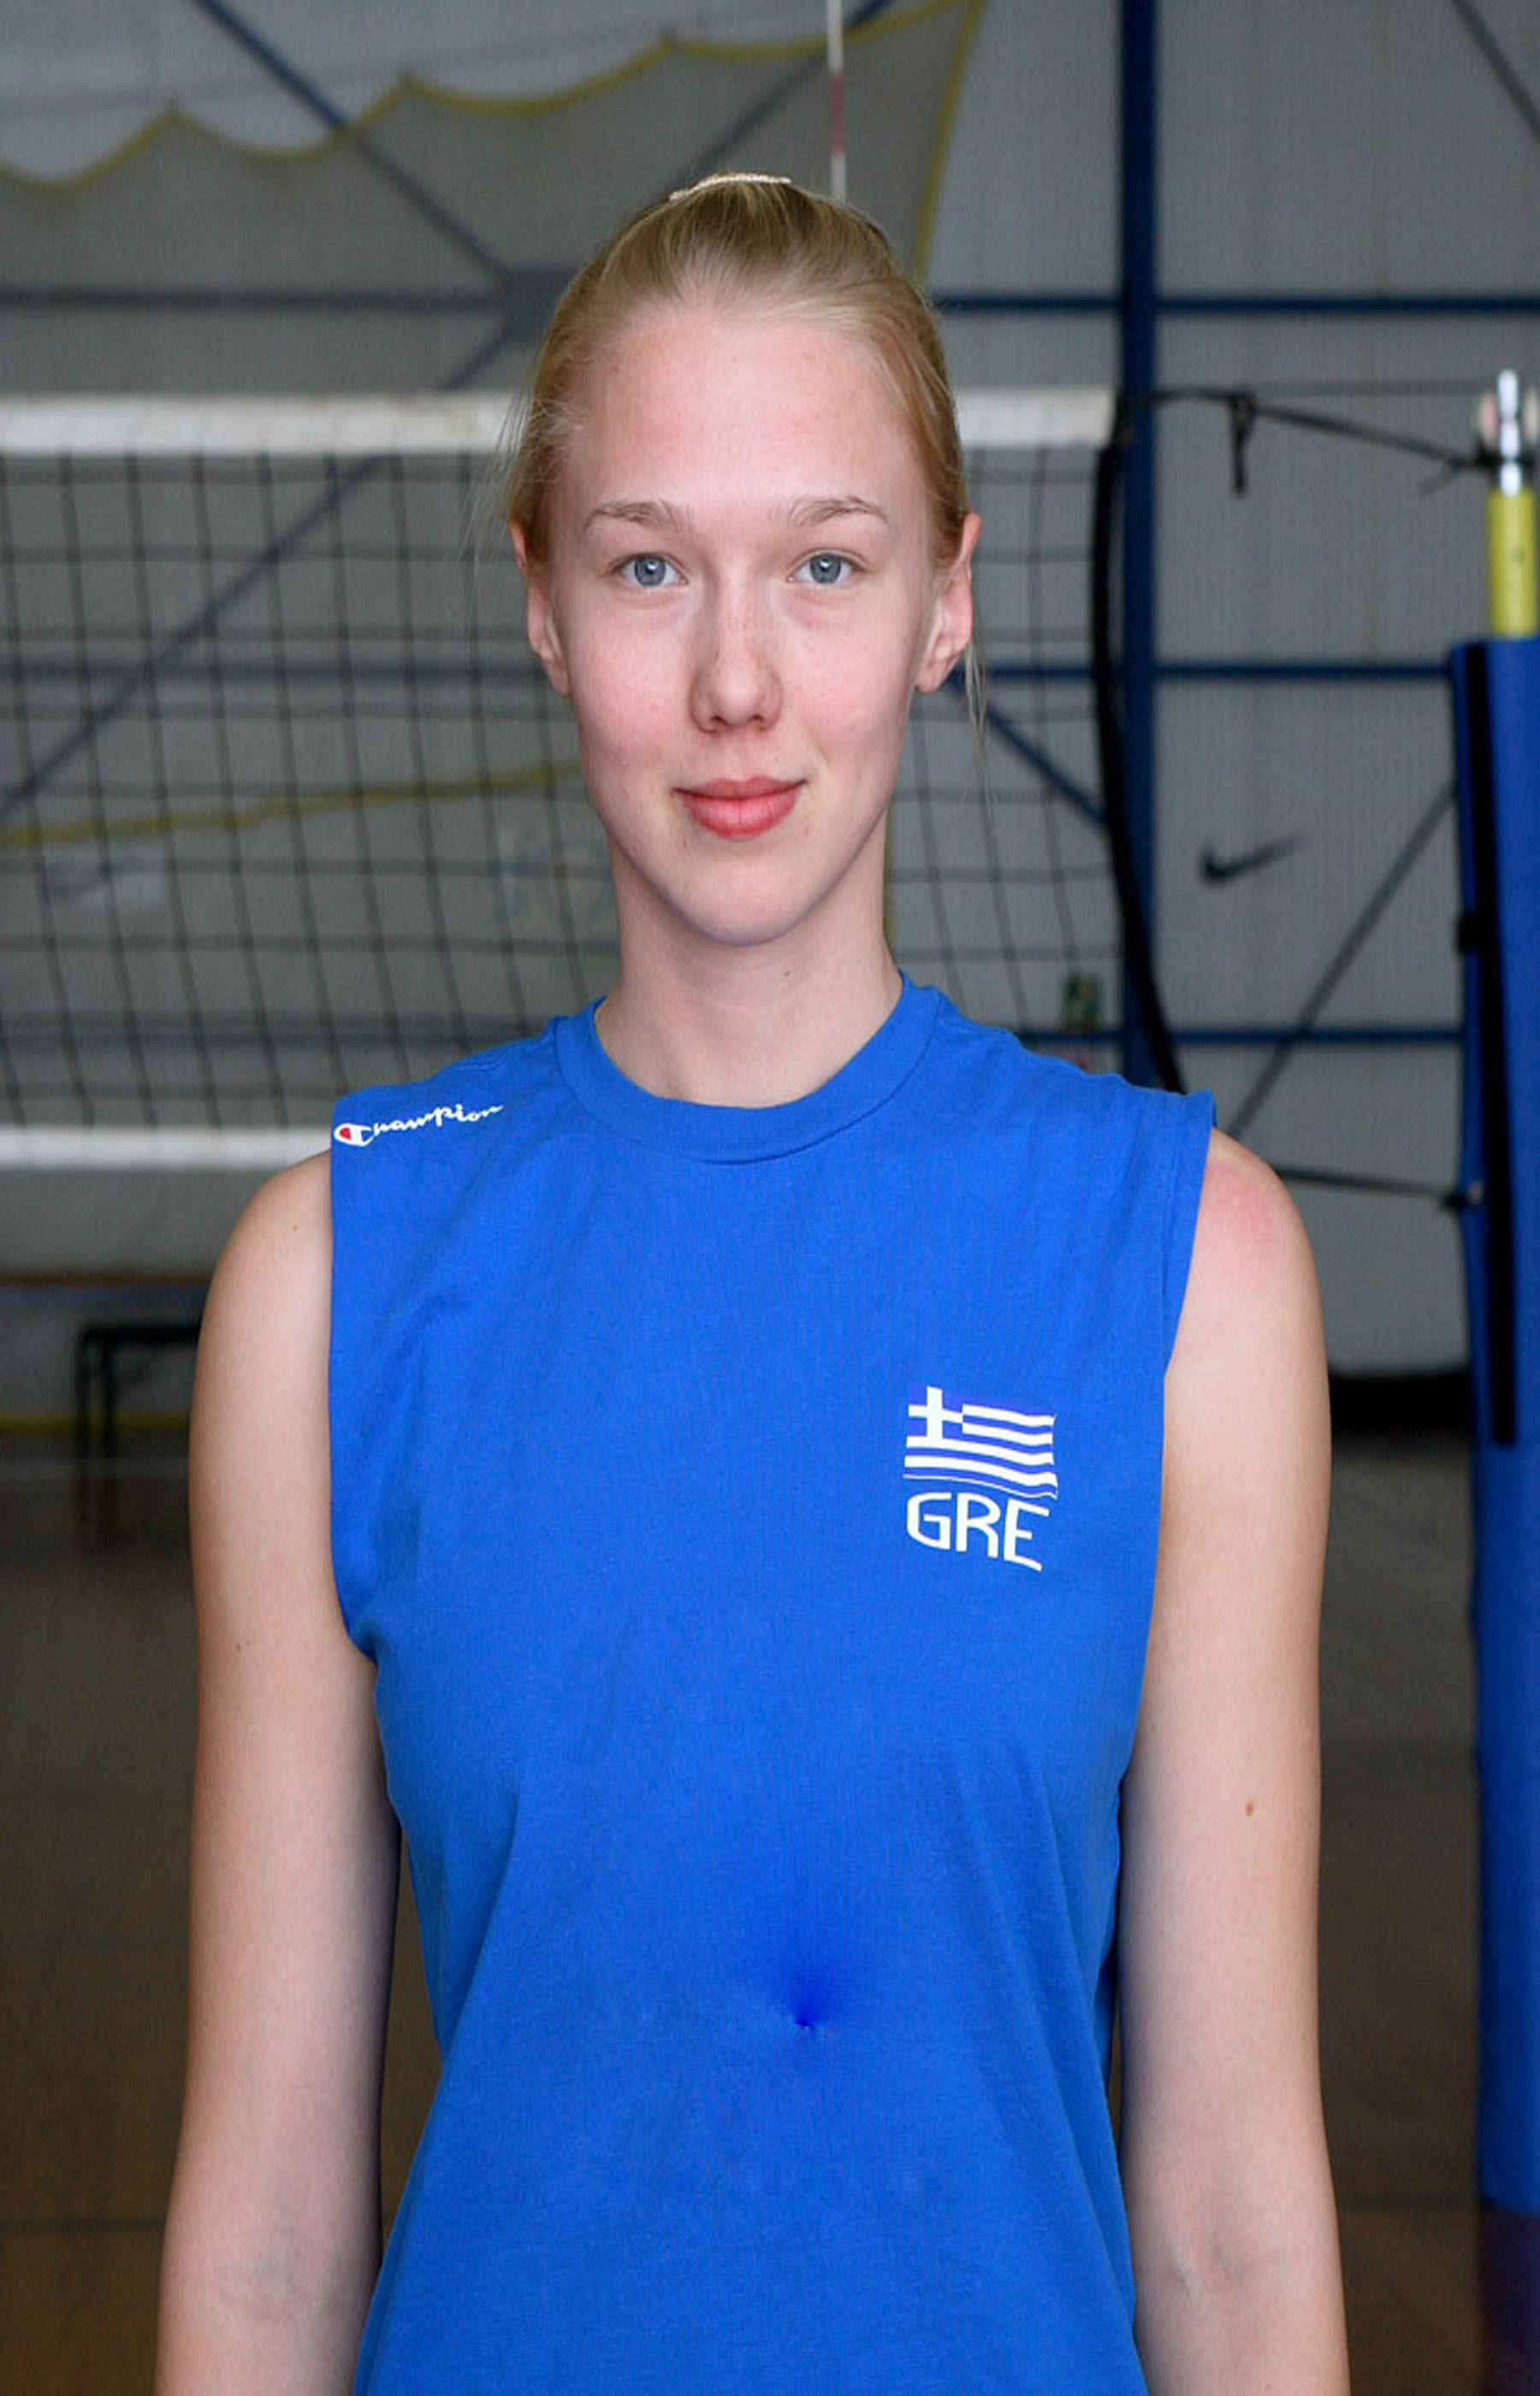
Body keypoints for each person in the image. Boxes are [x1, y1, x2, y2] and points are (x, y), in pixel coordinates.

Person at [156, 174, 1349, 2393]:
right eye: (647, 567)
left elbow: (1229, 2223)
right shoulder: (331, 1286)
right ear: (540, 602)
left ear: (946, 603)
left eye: (824, 564)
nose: (734, 681)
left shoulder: (1196, 1268)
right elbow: (269, 2237)